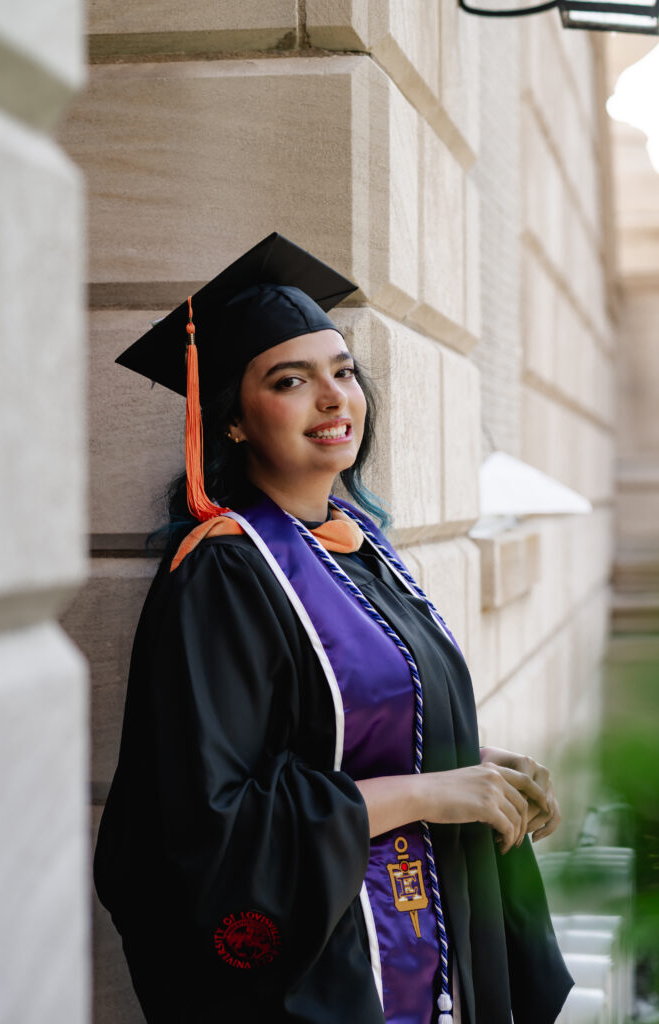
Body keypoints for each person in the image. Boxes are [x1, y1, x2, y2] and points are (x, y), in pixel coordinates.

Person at [95, 233, 573, 1024]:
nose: (332, 398)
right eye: (291, 380)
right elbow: (212, 821)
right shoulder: (226, 573)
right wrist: (430, 791)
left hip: (423, 925)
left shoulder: (360, 547)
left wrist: (476, 770)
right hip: (340, 967)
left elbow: (343, 732)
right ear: (235, 422)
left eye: (343, 372)